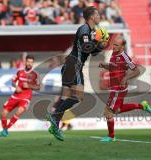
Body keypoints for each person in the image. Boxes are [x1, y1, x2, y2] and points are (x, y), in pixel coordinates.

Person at [46, 6, 109, 141]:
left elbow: (93, 51)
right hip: (73, 65)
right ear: (91, 17)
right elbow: (86, 47)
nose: (99, 17)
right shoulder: (84, 29)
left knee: (69, 97)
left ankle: (55, 124)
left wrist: (102, 44)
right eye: (97, 15)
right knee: (78, 97)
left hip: (72, 66)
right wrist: (97, 40)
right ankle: (55, 116)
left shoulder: (92, 32)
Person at [98, 36, 151, 142]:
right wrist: (105, 66)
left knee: (108, 111)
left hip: (119, 88)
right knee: (117, 109)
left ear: (122, 46)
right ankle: (141, 105)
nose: (113, 47)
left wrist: (126, 78)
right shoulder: (114, 54)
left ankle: (111, 136)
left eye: (116, 45)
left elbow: (136, 71)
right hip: (114, 87)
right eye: (113, 44)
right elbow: (114, 68)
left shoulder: (124, 57)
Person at [0, 55, 41, 137]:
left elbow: (39, 87)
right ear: (25, 62)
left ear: (33, 63)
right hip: (15, 96)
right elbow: (13, 81)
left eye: (31, 62)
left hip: (26, 98)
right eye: (28, 62)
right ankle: (5, 129)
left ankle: (6, 129)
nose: (29, 63)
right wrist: (16, 86)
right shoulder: (20, 71)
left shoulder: (35, 74)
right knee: (3, 113)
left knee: (19, 112)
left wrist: (29, 86)